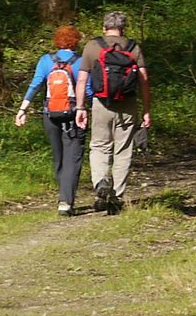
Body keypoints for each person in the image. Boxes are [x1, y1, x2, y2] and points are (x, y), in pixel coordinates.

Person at [74, 11, 151, 214]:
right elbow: (143, 80)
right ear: (123, 29)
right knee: (123, 150)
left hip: (101, 103)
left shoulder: (92, 46)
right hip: (128, 104)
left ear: (104, 27)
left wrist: (80, 107)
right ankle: (116, 197)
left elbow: (82, 80)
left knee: (99, 146)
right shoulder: (133, 47)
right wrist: (146, 110)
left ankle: (100, 183)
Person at [15, 24, 86, 215]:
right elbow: (88, 90)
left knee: (59, 157)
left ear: (57, 40)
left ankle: (63, 195)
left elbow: (36, 85)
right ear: (76, 40)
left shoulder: (46, 60)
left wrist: (23, 109)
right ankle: (66, 201)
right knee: (73, 157)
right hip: (74, 115)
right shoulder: (82, 61)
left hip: (50, 115)